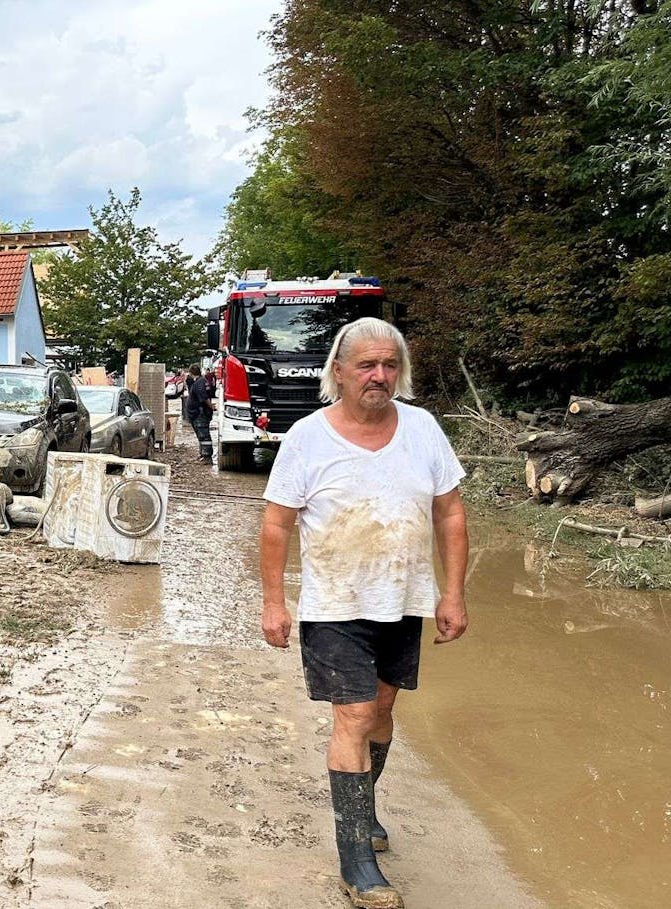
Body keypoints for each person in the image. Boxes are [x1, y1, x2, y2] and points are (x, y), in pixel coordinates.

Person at [258, 317, 469, 909]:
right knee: (352, 717)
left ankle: (363, 807)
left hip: (401, 601)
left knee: (381, 712)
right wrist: (275, 602)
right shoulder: (307, 437)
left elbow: (450, 513)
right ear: (340, 372)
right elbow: (277, 523)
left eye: (389, 365)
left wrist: (452, 593)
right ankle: (357, 862)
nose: (379, 376)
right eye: (367, 366)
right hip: (334, 605)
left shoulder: (423, 429)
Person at [183, 365, 214, 462]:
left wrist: (211, 407)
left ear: (191, 373)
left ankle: (207, 456)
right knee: (201, 435)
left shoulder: (200, 383)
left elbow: (204, 397)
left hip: (200, 413)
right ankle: (203, 454)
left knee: (204, 435)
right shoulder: (201, 381)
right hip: (197, 412)